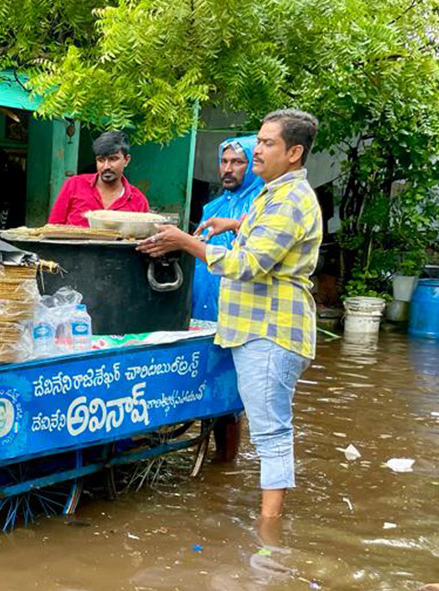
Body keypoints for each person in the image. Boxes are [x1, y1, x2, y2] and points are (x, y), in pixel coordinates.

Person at [138, 109, 322, 542]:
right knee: (264, 421)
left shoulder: (290, 198)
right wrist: (234, 223)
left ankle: (269, 531)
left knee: (271, 428)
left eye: (268, 143)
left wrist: (187, 242)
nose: (257, 149)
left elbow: (247, 263)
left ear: (294, 153)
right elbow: (265, 234)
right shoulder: (274, 194)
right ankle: (266, 519)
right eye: (257, 141)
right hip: (255, 327)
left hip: (271, 329)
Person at [191, 136, 265, 321]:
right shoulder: (213, 208)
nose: (227, 169)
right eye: (224, 161)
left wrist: (236, 226)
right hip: (204, 305)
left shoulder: (262, 203)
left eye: (237, 162)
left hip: (243, 310)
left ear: (252, 165)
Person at [48, 130, 149, 226]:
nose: (106, 166)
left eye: (113, 159)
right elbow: (53, 227)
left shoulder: (138, 201)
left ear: (126, 160)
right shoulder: (74, 185)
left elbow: (141, 241)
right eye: (101, 160)